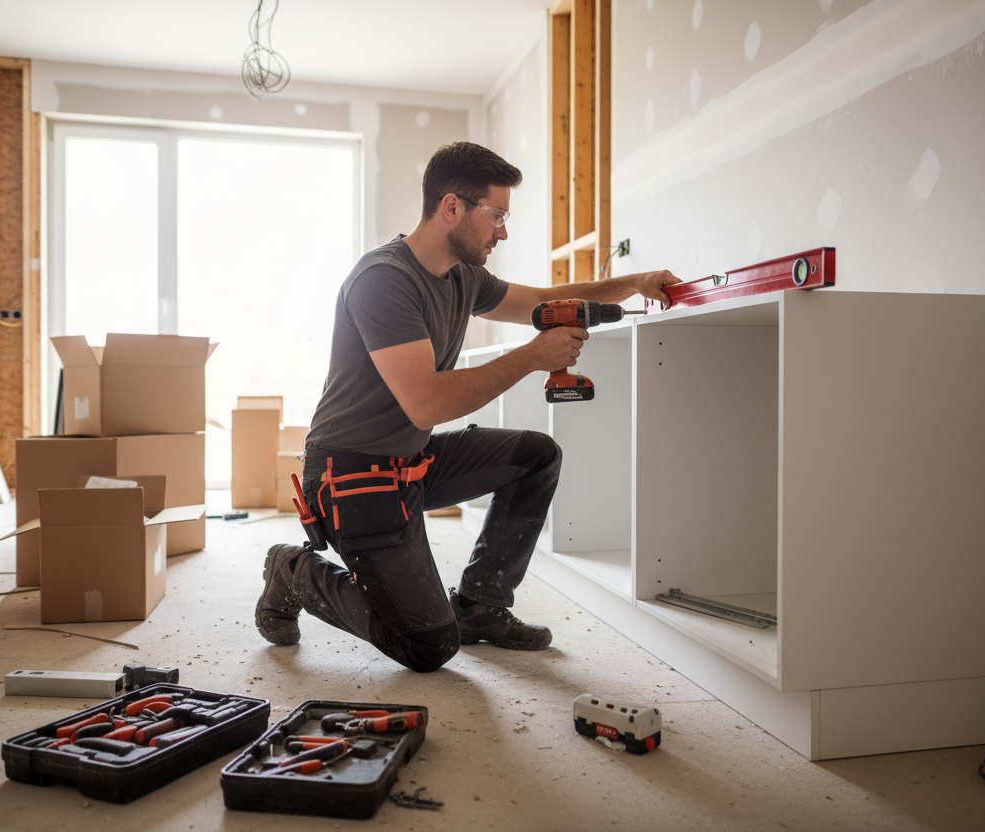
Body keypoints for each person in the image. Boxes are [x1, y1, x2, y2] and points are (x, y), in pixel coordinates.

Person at [255, 141, 678, 672]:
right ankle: (291, 569)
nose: (503, 230)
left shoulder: (463, 276)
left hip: (411, 463)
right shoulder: (383, 280)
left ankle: (481, 606)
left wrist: (632, 284)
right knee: (427, 646)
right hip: (351, 474)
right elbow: (426, 403)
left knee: (536, 456)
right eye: (496, 214)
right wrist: (530, 358)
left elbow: (545, 300)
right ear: (452, 206)